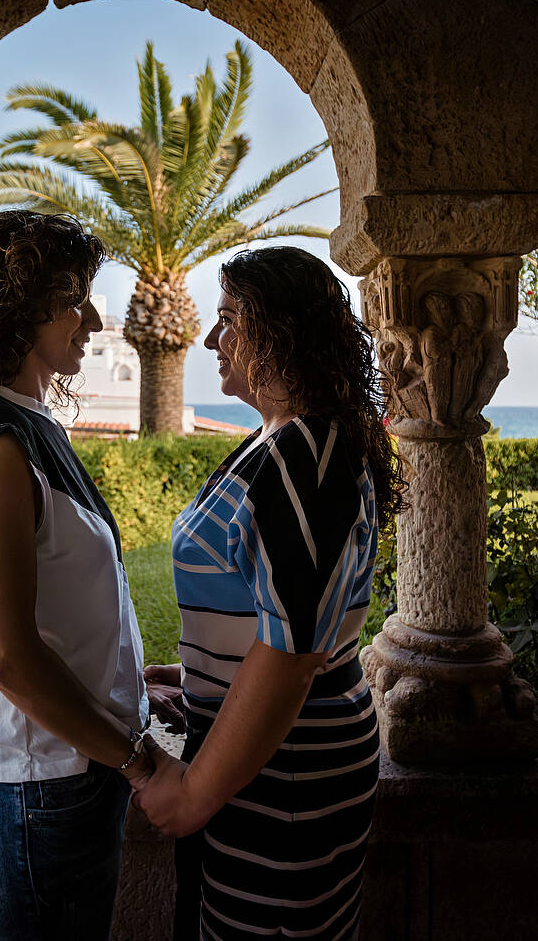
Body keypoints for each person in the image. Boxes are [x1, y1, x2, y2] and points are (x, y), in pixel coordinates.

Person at [134, 245, 402, 940]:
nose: (209, 338)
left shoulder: (304, 455)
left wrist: (192, 795)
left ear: (281, 332)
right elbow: (275, 611)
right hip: (261, 756)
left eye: (228, 319)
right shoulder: (283, 441)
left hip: (285, 778)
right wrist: (195, 677)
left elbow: (291, 652)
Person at [0, 210, 154, 940]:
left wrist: (138, 680)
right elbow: (1, 652)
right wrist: (138, 765)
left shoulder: (29, 427)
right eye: (73, 297)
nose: (90, 316)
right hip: (34, 798)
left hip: (62, 784)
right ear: (19, 306)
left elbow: (65, 606)